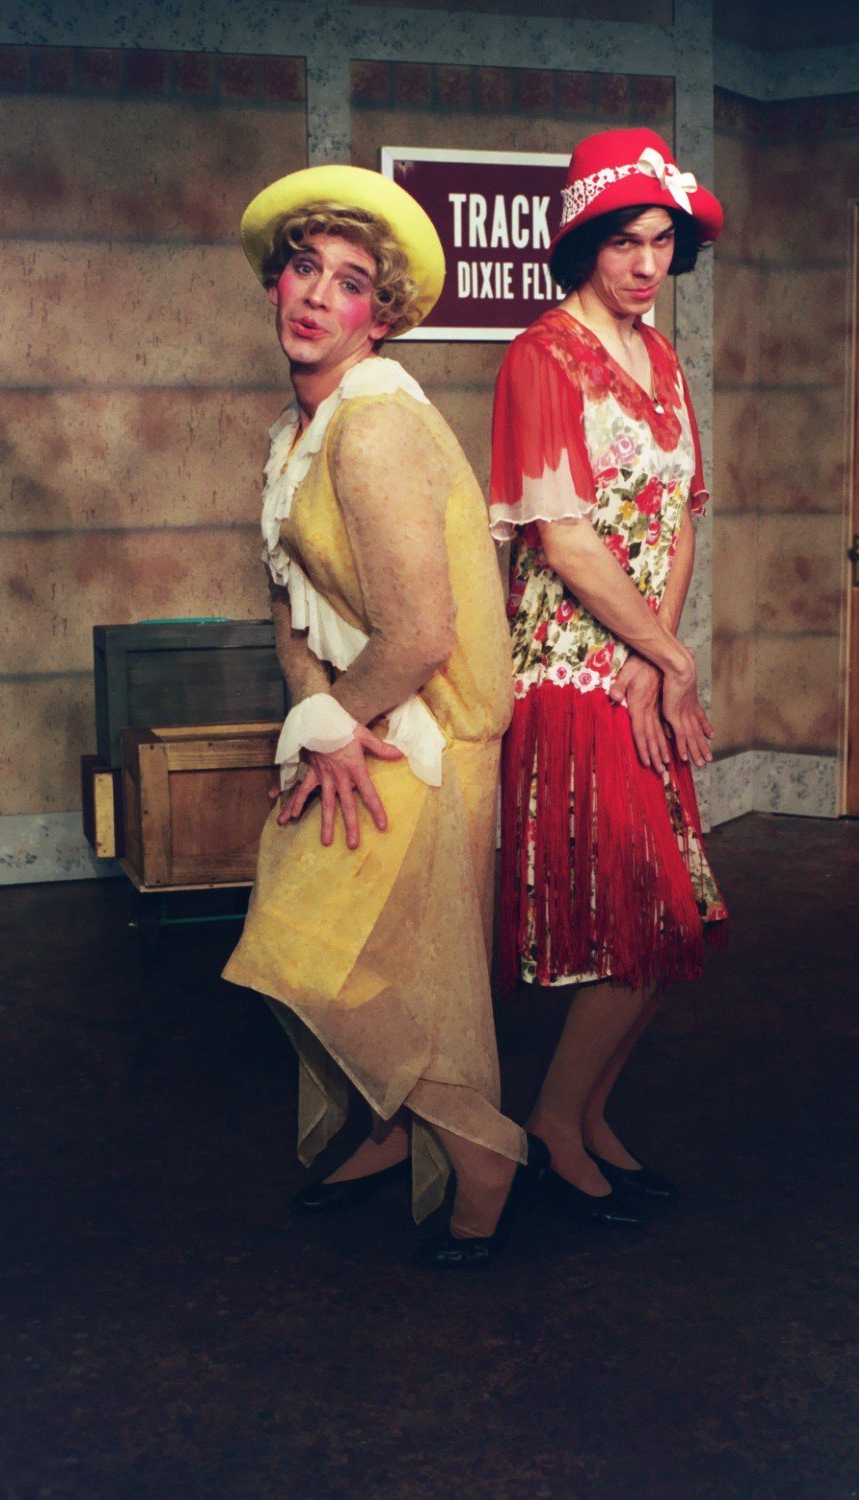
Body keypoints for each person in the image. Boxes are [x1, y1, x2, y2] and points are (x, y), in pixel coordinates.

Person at [222, 165, 545, 1267]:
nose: (317, 296)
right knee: (342, 954)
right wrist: (319, 713)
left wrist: (331, 726)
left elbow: (420, 634)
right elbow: (286, 604)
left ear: (381, 314)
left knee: (326, 954)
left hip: (432, 733)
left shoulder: (369, 431)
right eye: (303, 269)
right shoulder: (293, 431)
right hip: (363, 721)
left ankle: (482, 1147)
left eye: (349, 284)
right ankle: (396, 1122)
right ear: (276, 285)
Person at [489, 129, 728, 1225]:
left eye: (662, 240)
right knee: (640, 916)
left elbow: (676, 523)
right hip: (566, 673)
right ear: (584, 242)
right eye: (625, 240)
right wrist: (664, 658)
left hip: (636, 673)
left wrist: (657, 661)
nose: (646, 263)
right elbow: (564, 535)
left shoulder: (667, 365)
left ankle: (583, 1119)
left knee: (669, 928)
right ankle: (551, 1122)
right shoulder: (539, 356)